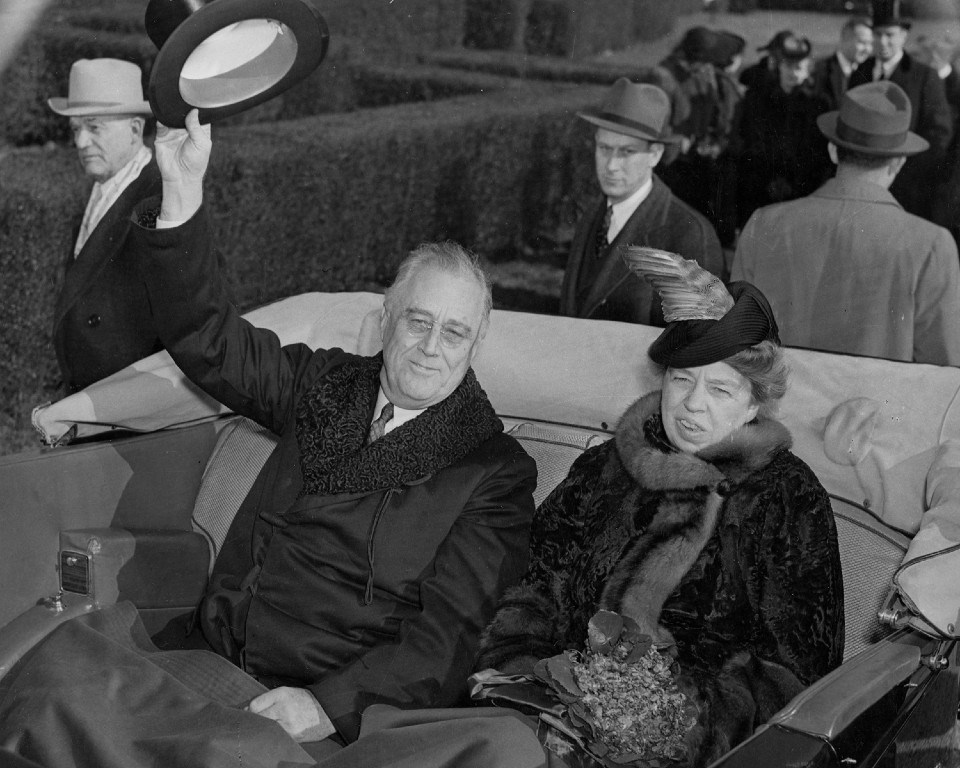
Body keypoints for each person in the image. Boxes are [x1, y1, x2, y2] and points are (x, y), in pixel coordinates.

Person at [0, 110, 538, 766]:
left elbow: (448, 636)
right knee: (51, 666)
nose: (431, 348)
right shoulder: (323, 382)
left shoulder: (493, 470)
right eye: (417, 321)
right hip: (207, 660)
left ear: (477, 342)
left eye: (454, 332)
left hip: (320, 712)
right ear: (386, 320)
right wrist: (183, 196)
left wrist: (323, 704)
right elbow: (208, 339)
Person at [477, 248, 844, 766]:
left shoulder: (788, 497)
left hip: (688, 745)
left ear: (755, 402)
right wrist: (525, 674)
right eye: (681, 379)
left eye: (720, 388)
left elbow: (797, 669)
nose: (694, 404)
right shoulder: (604, 466)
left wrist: (673, 720)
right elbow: (534, 584)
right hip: (547, 712)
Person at [732, 81, 960, 367]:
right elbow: (943, 371)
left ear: (832, 150)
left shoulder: (763, 223)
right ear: (899, 162)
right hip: (875, 410)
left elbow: (735, 340)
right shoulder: (932, 244)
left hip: (773, 406)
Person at [560, 78, 724, 326]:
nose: (612, 165)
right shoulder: (593, 216)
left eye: (627, 152)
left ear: (655, 155)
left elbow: (696, 345)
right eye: (605, 148)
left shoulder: (688, 234)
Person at [47, 58, 164, 394]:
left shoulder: (158, 199)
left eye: (94, 127)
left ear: (135, 130)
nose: (81, 143)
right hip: (93, 399)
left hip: (131, 407)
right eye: (75, 129)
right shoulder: (104, 183)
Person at [848, 0, 952, 220]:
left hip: (908, 188)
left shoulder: (924, 77)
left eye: (890, 35)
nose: (882, 42)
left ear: (904, 35)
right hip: (863, 185)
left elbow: (939, 135)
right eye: (877, 35)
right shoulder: (860, 74)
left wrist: (903, 174)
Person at [658, 27, 746, 246]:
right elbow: (657, 129)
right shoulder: (663, 76)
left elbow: (716, 110)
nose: (709, 67)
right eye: (706, 62)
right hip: (673, 166)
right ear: (693, 58)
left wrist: (714, 140)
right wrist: (683, 142)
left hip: (700, 165)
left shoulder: (706, 71)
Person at [736, 33, 832, 227]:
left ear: (808, 71)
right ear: (779, 66)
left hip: (802, 190)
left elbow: (818, 153)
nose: (793, 73)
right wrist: (769, 179)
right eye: (788, 66)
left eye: (799, 68)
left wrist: (795, 183)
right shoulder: (761, 99)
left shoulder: (819, 105)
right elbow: (752, 141)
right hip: (762, 187)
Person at [812, 16, 874, 109]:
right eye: (862, 42)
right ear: (845, 39)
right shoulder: (820, 70)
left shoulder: (869, 73)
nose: (867, 49)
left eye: (870, 44)